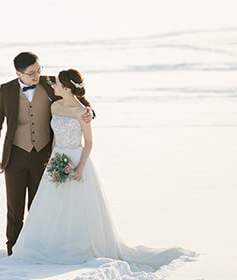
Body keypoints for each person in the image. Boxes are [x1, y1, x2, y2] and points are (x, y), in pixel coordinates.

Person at [10, 69, 189, 267]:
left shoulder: (83, 113)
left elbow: (88, 143)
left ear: (67, 88)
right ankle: (51, 243)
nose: (54, 86)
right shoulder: (55, 107)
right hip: (57, 159)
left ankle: (75, 244)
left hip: (77, 159)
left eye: (58, 84)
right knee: (51, 204)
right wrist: (52, 162)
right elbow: (55, 139)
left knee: (77, 204)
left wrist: (79, 168)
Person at [0, 52, 90, 255]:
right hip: (15, 156)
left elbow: (76, 97)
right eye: (32, 73)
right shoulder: (6, 90)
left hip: (43, 155)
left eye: (39, 70)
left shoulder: (50, 83)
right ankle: (13, 251)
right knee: (14, 209)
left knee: (40, 206)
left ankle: (37, 248)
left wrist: (90, 111)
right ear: (19, 74)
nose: (37, 76)